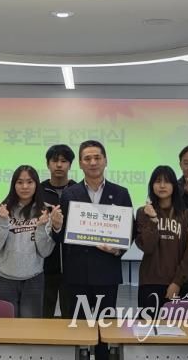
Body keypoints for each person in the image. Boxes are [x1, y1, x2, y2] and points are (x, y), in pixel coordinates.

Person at [53, 140, 133, 360]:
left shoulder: (120, 193)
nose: (93, 162)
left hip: (107, 273)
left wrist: (117, 250)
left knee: (104, 332)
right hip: (77, 274)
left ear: (105, 160)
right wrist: (56, 226)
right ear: (80, 163)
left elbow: (130, 231)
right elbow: (61, 237)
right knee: (79, 331)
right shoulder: (70, 194)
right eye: (87, 158)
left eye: (97, 157)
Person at [0, 165, 60, 318]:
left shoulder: (44, 211)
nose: (25, 186)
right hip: (5, 280)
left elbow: (45, 251)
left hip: (34, 280)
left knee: (31, 329)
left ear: (36, 185)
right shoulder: (2, 210)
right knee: (6, 327)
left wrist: (41, 228)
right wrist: (3, 222)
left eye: (29, 182)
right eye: (20, 182)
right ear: (13, 185)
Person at [135, 166, 188, 312]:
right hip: (150, 281)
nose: (162, 185)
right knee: (149, 326)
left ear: (174, 185)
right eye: (158, 181)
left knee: (177, 326)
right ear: (152, 185)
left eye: (167, 181)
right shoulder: (143, 212)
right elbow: (147, 247)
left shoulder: (186, 214)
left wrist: (177, 282)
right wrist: (152, 220)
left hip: (178, 283)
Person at [41, 144, 76, 318]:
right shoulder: (38, 190)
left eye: (64, 161)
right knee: (43, 315)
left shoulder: (79, 191)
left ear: (70, 164)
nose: (59, 165)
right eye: (55, 161)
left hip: (73, 265)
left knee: (70, 317)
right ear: (48, 164)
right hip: (43, 264)